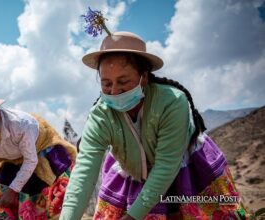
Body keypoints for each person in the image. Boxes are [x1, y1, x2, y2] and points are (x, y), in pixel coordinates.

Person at [60, 32, 247, 219]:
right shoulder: (101, 116)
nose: (115, 91)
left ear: (144, 77)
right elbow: (84, 172)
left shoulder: (171, 102)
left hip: (186, 171)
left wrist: (132, 217)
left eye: (123, 82)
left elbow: (166, 166)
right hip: (134, 174)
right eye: (106, 83)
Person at [0, 90, 77, 219]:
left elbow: (30, 161)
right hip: (9, 159)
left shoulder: (20, 124)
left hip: (39, 153)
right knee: (1, 203)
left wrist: (13, 190)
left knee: (41, 203)